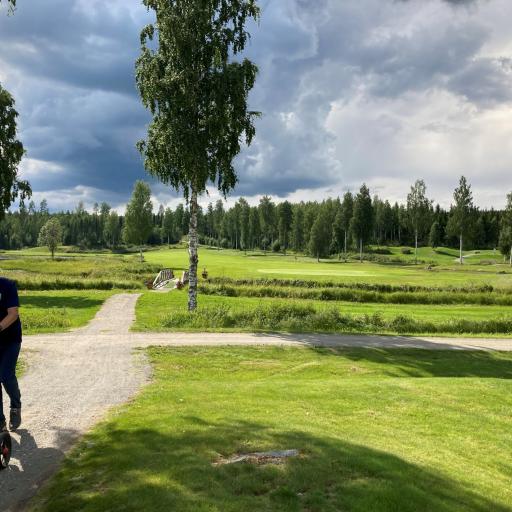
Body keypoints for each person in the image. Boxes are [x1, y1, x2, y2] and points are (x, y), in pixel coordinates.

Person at [0, 277, 22, 432]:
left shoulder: (7, 285)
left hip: (10, 340)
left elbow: (13, 314)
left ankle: (15, 406)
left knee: (6, 375)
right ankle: (0, 422)